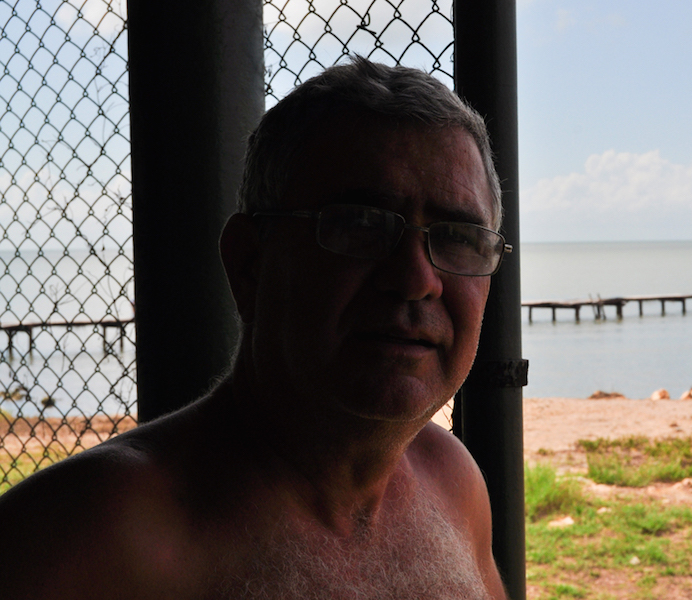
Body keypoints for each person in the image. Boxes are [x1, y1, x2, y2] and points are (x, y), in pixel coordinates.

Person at [0, 57, 510, 599]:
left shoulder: (453, 483)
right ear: (249, 263)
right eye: (359, 225)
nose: (415, 280)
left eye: (458, 236)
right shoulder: (88, 538)